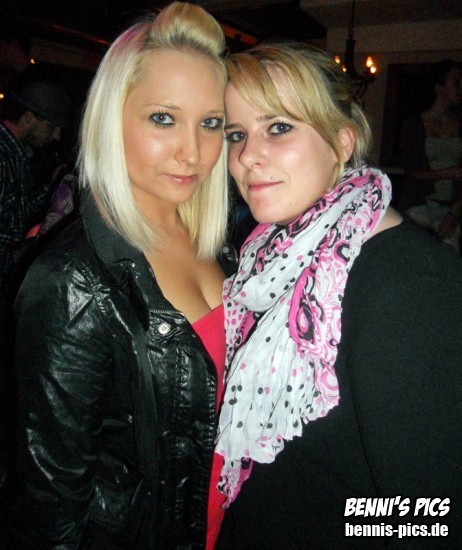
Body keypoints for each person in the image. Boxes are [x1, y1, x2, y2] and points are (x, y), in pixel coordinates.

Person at [215, 42, 462, 548]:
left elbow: (432, 517)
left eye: (277, 127)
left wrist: (325, 526)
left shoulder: (409, 285)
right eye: (237, 134)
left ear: (342, 141)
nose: (246, 156)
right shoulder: (277, 258)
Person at [7, 2, 234, 547]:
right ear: (113, 118)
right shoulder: (72, 282)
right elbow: (51, 509)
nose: (193, 152)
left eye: (210, 123)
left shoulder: (220, 244)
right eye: (163, 118)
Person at [0, 79, 72, 304]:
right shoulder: (3, 154)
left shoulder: (16, 154)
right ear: (29, 117)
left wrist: (53, 184)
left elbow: (17, 213)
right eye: (52, 126)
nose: (56, 136)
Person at [399, 59, 462, 253]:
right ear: (439, 86)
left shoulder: (459, 125)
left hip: (450, 208)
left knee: (450, 255)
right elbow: (412, 172)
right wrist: (448, 173)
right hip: (419, 205)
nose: (461, 87)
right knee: (415, 255)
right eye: (456, 82)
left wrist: (454, 214)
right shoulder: (414, 125)